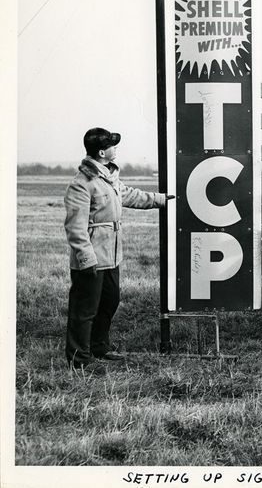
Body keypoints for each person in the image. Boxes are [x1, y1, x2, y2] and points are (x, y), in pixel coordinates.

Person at [64, 127, 173, 372]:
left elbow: (131, 195)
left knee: (109, 302)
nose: (116, 148)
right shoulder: (82, 184)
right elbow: (75, 227)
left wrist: (163, 200)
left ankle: (99, 348)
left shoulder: (109, 178)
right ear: (102, 152)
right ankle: (78, 360)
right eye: (112, 145)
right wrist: (85, 257)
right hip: (92, 258)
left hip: (111, 256)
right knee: (84, 310)